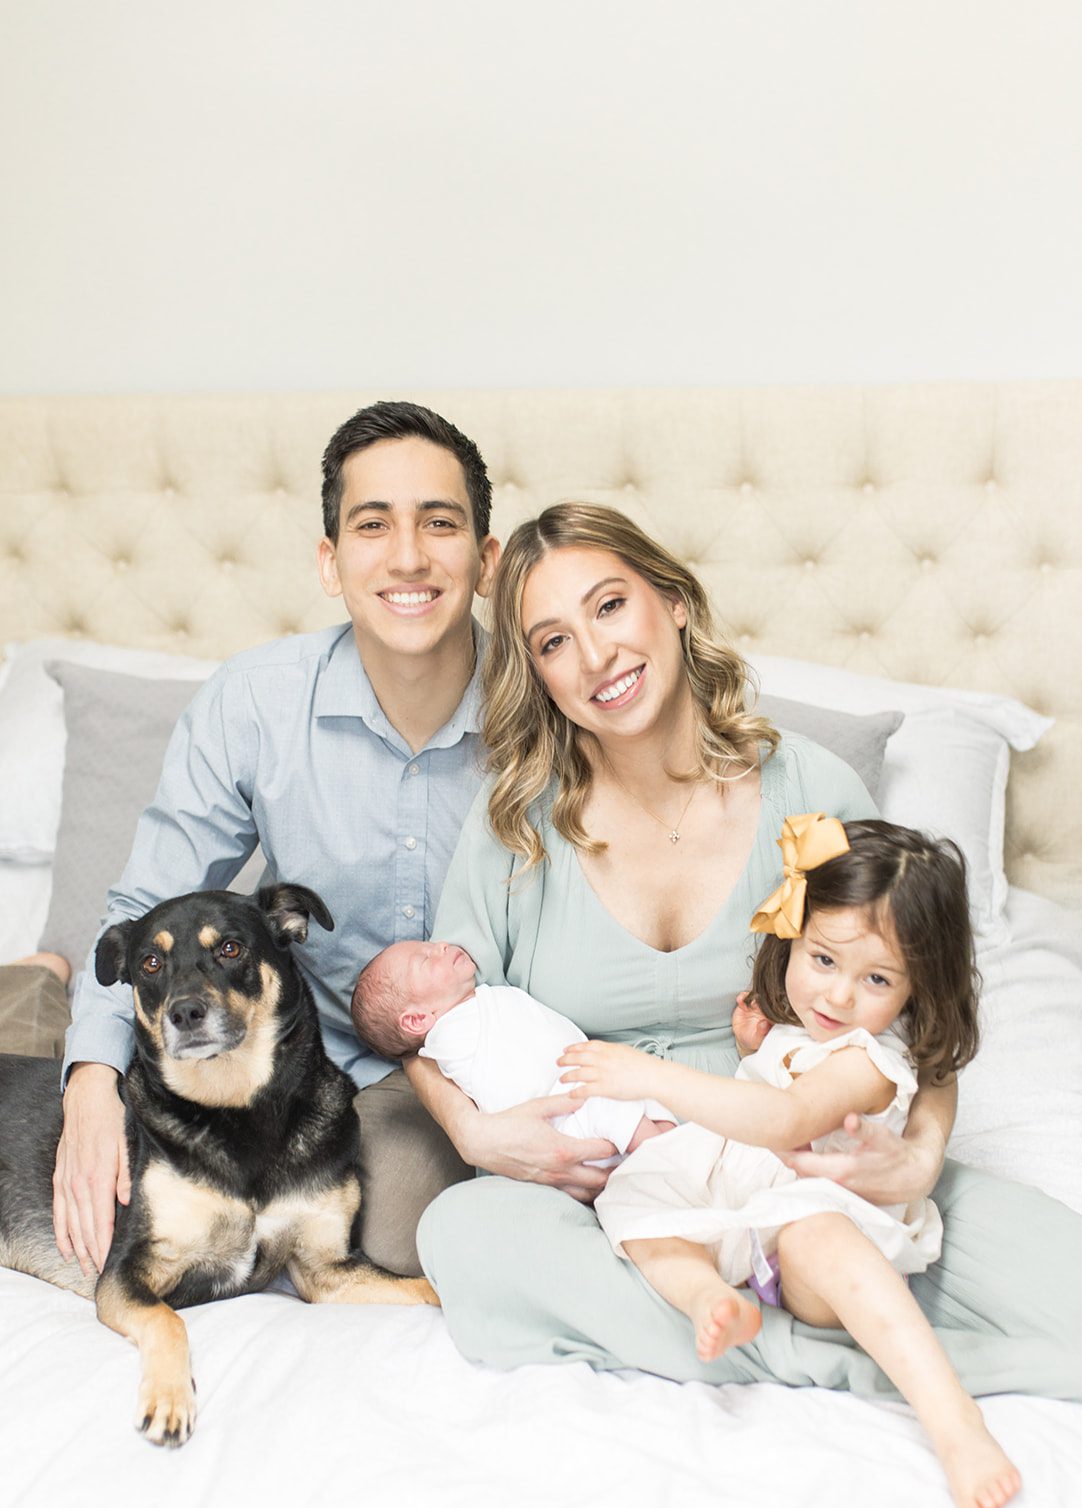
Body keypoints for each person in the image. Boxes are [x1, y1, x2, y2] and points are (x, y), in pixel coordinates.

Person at [411, 501, 1082, 1406]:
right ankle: (857, 1360)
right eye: (553, 642)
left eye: (610, 607)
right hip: (618, 1192)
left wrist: (920, 1156)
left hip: (809, 1159)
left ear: (674, 603)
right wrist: (473, 1133)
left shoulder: (806, 794)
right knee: (464, 1233)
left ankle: (791, 1321)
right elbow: (434, 1029)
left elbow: (922, 1014)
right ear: (537, 675)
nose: (596, 656)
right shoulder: (517, 830)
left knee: (1063, 1284)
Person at [26, 400, 508, 1282]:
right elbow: (145, 907)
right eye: (373, 525)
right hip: (322, 1070)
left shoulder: (550, 696)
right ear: (331, 562)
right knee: (396, 1233)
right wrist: (92, 1079)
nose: (408, 556)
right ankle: (37, 994)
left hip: (503, 1052)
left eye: (440, 523)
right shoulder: (252, 703)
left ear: (486, 557)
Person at [560, 815, 1020, 1508]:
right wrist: (764, 1045)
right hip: (745, 1201)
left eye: (876, 978)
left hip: (808, 1233)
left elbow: (784, 1120)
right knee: (636, 1196)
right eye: (823, 960)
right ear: (793, 939)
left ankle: (956, 1426)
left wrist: (645, 1074)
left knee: (815, 1234)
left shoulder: (870, 1063)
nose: (836, 997)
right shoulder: (813, 1029)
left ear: (916, 989)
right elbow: (784, 1080)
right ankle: (710, 1298)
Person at [352, 938, 675, 1160]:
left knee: (646, 1098)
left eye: (430, 944)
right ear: (417, 1019)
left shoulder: (476, 1004)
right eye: (424, 958)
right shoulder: (448, 1039)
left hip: (586, 1087)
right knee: (613, 1107)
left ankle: (670, 1148)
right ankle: (671, 1162)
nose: (441, 946)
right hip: (567, 1118)